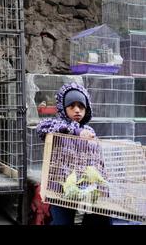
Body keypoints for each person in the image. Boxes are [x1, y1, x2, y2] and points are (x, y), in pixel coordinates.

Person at [36, 82, 111, 225]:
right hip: (59, 190)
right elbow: (41, 128)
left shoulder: (89, 132)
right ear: (63, 108)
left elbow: (97, 162)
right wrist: (76, 131)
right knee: (62, 222)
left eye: (81, 106)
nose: (77, 110)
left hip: (83, 188)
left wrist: (102, 187)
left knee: (100, 218)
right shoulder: (55, 125)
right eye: (72, 106)